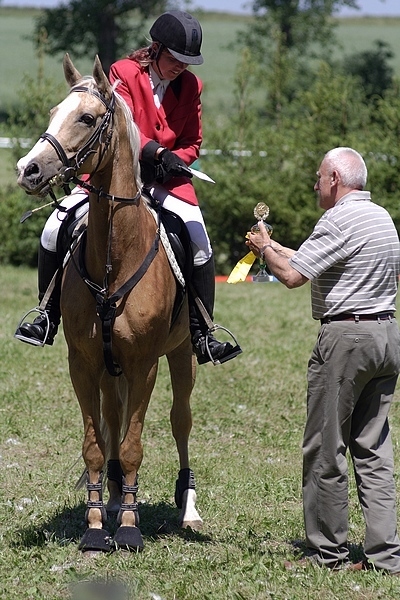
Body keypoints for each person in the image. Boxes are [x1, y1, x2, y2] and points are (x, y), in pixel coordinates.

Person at [16, 10, 241, 366]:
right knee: (52, 228)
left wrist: (176, 158)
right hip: (113, 176)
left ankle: (203, 332)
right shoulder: (123, 73)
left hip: (166, 181)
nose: (182, 66)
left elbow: (193, 141)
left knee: (200, 243)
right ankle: (46, 316)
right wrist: (155, 151)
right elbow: (119, 129)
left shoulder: (191, 87)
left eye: (188, 61)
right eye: (175, 58)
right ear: (156, 48)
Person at [247, 147, 400, 574]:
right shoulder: (379, 217)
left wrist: (263, 251)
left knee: (325, 448)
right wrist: (273, 243)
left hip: (346, 340)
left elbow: (294, 276)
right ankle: (386, 555)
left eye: (318, 177)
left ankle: (326, 552)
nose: (315, 184)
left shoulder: (337, 218)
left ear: (335, 178)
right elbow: (316, 259)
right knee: (373, 449)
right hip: (386, 336)